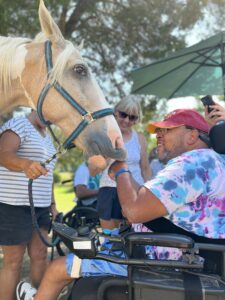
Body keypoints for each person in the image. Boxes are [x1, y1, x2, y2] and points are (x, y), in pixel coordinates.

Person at [16, 108, 225, 300]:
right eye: (158, 131)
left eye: (167, 130)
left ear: (192, 135)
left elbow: (134, 211)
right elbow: (144, 195)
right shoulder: (211, 161)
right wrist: (121, 167)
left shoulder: (190, 165)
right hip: (182, 253)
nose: (158, 135)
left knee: (56, 269)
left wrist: (121, 170)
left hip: (161, 259)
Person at [0, 110, 58, 300]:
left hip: (40, 207)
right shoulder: (18, 124)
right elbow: (3, 154)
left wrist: (52, 205)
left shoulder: (48, 137)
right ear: (36, 103)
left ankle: (38, 297)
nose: (51, 116)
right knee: (13, 261)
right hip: (13, 204)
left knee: (40, 254)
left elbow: (48, 176)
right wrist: (25, 164)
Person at [97, 97, 151, 229]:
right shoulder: (103, 135)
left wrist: (149, 192)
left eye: (132, 117)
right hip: (110, 190)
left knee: (136, 238)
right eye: (123, 114)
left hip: (136, 191)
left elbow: (145, 168)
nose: (126, 120)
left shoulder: (140, 138)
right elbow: (98, 166)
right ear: (115, 112)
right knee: (111, 240)